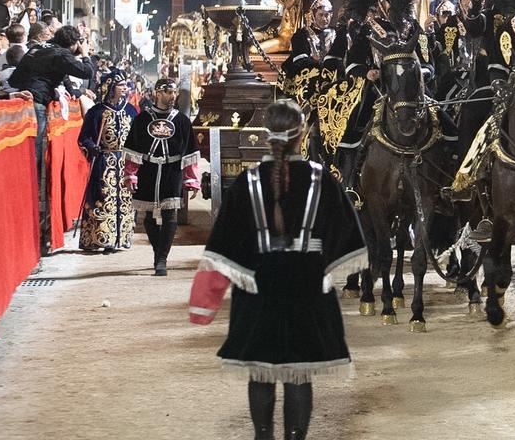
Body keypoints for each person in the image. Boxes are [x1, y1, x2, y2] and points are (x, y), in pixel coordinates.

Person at [189, 99, 367, 440]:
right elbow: (349, 239)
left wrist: (203, 305)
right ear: (303, 134)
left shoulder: (247, 182)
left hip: (258, 290)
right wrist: (321, 265)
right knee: (299, 375)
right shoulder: (322, 180)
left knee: (261, 373)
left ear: (266, 136)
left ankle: (263, 437)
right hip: (308, 288)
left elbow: (223, 246)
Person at [8, 24, 95, 255]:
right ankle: (36, 231)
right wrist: (85, 53)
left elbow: (18, 78)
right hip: (35, 106)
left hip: (20, 101)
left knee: (29, 163)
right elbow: (87, 73)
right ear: (74, 42)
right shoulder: (62, 54)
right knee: (36, 165)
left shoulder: (38, 47)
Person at [123, 78, 201, 275]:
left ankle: (162, 260)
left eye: (174, 92)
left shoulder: (182, 121)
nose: (172, 96)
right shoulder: (142, 119)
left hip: (172, 170)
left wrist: (191, 178)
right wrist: (131, 174)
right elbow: (133, 147)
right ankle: (158, 253)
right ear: (157, 94)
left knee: (169, 214)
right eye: (167, 92)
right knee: (149, 215)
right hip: (148, 169)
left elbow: (190, 150)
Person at [77, 70, 138, 253]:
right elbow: (83, 138)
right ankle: (102, 238)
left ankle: (122, 237)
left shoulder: (130, 111)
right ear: (110, 88)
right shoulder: (97, 112)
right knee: (103, 198)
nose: (125, 88)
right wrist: (92, 148)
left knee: (126, 199)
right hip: (105, 162)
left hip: (125, 162)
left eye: (126, 85)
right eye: (121, 85)